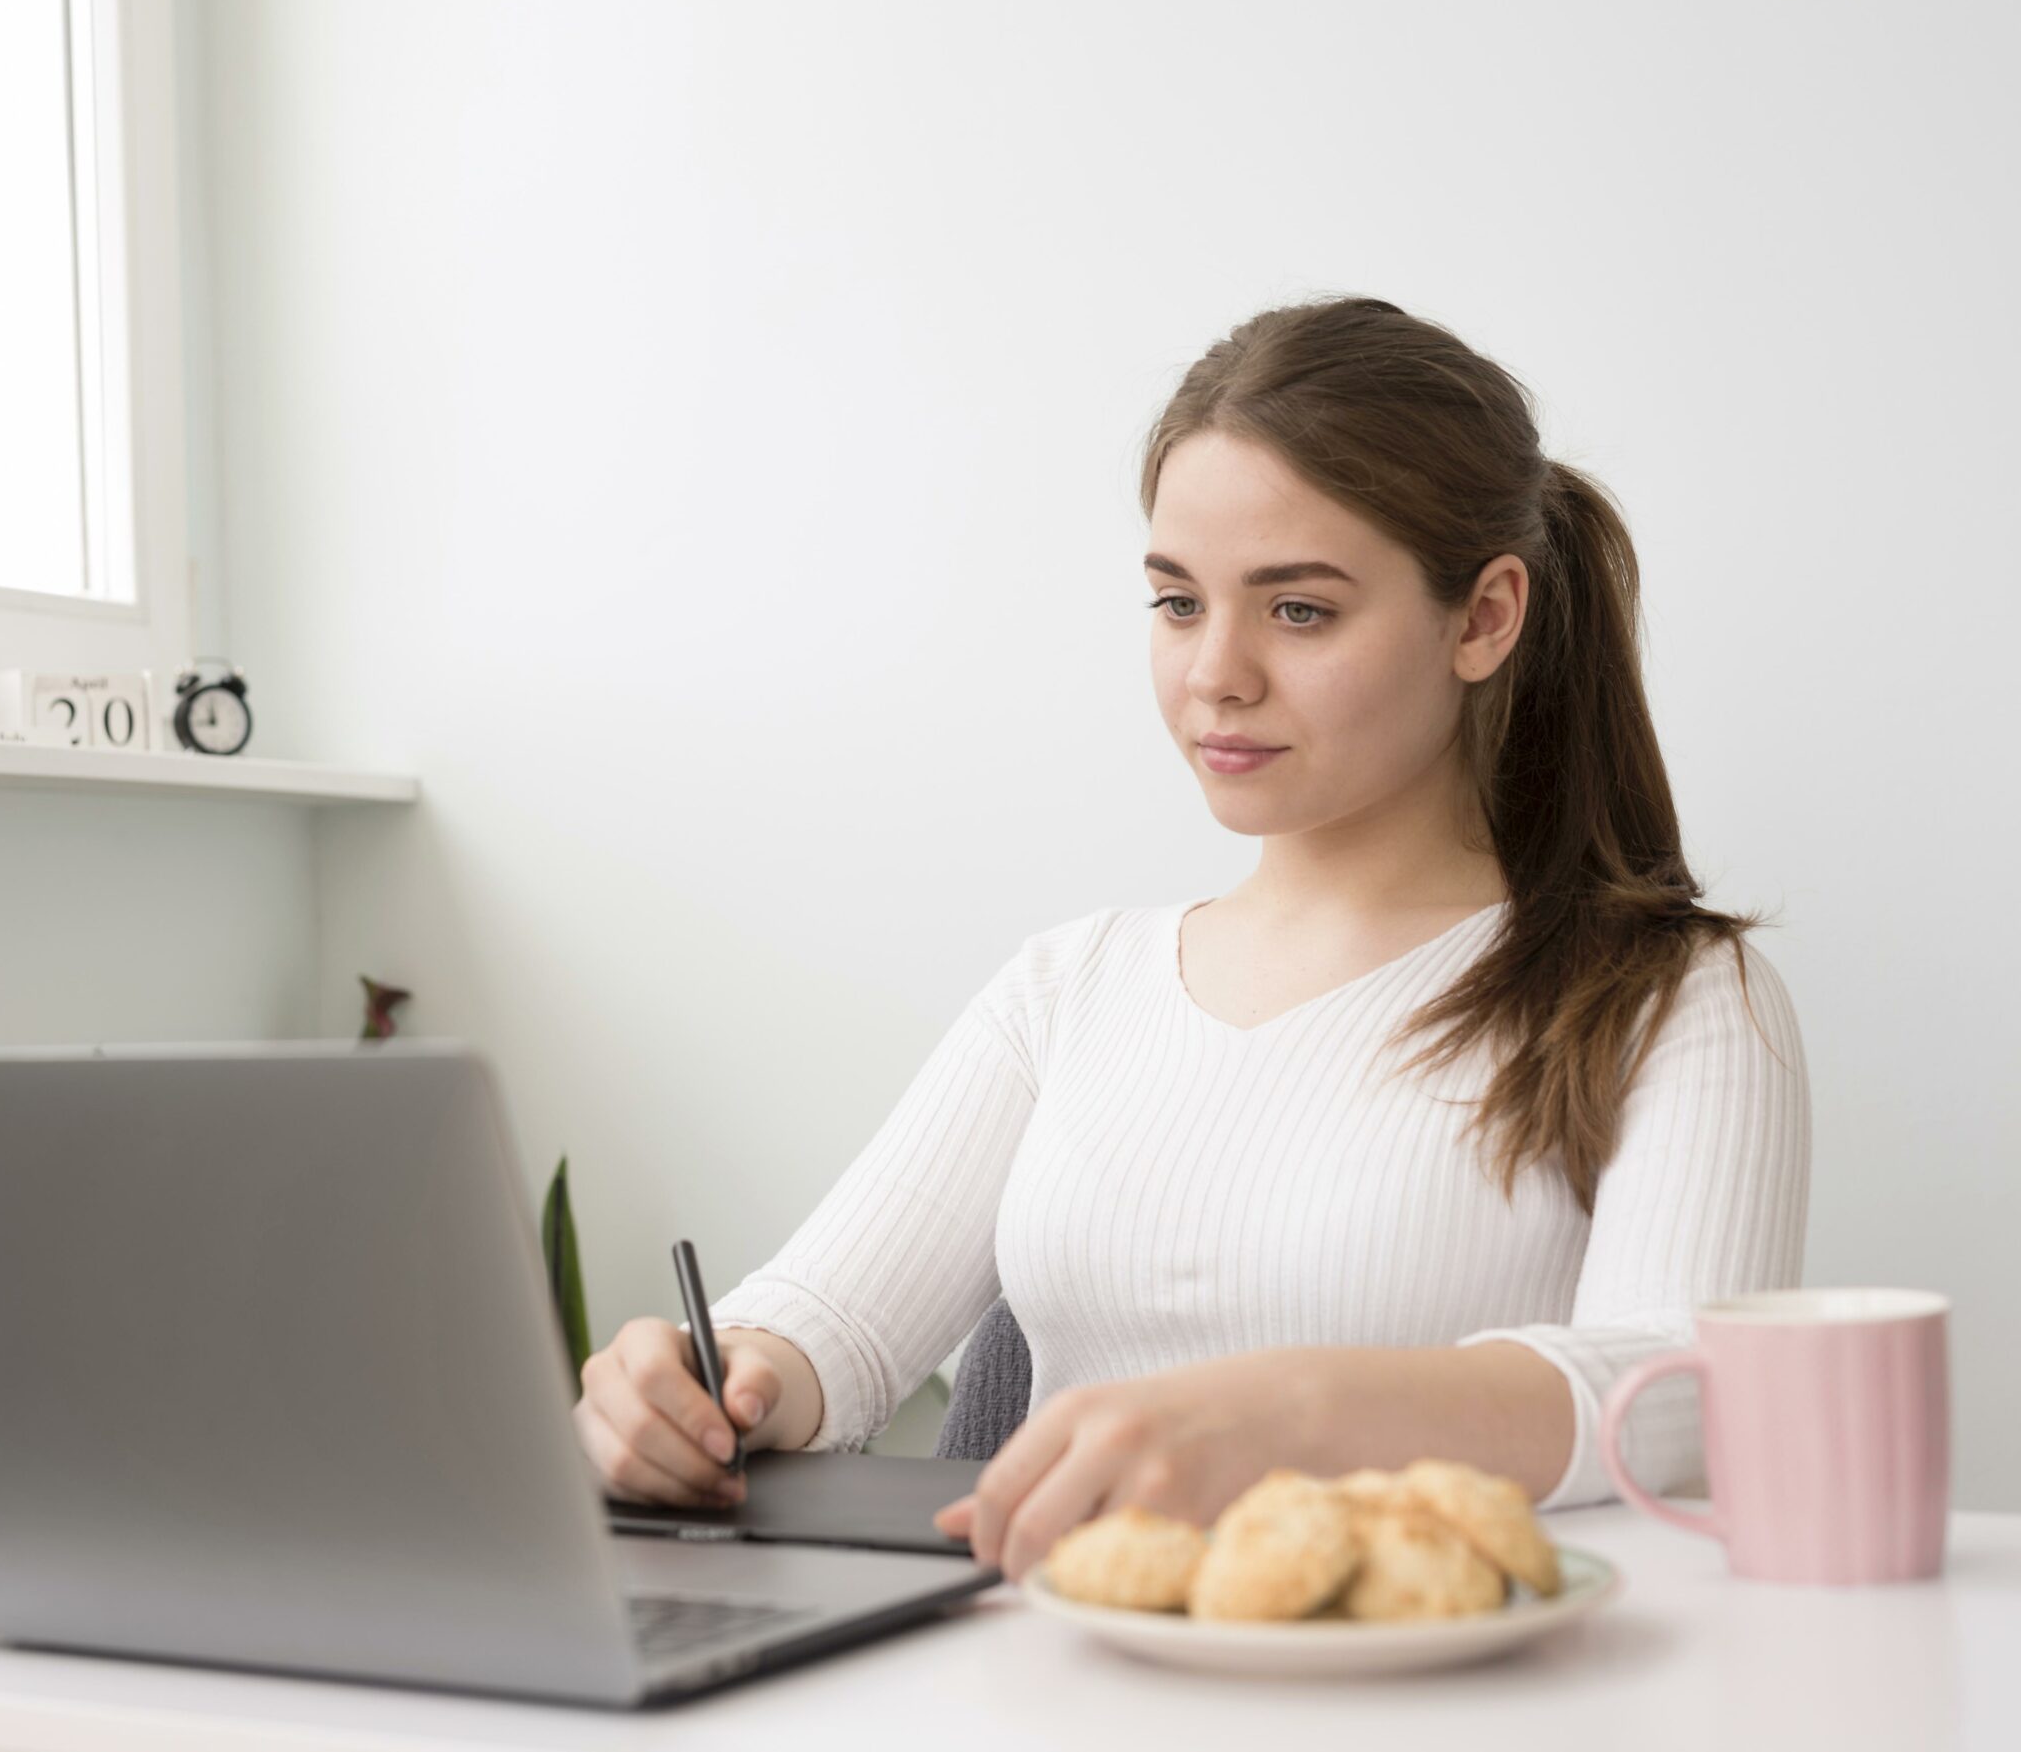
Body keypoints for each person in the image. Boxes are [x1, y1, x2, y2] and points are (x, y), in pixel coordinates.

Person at [569, 295, 1811, 1585]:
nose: (1215, 673)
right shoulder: (1070, 987)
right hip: (1046, 1688)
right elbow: (829, 1327)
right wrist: (718, 1383)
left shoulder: (1670, 999)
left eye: (1299, 612)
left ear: (1484, 617)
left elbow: (1688, 1396)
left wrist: (1299, 1410)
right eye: (1176, 603)